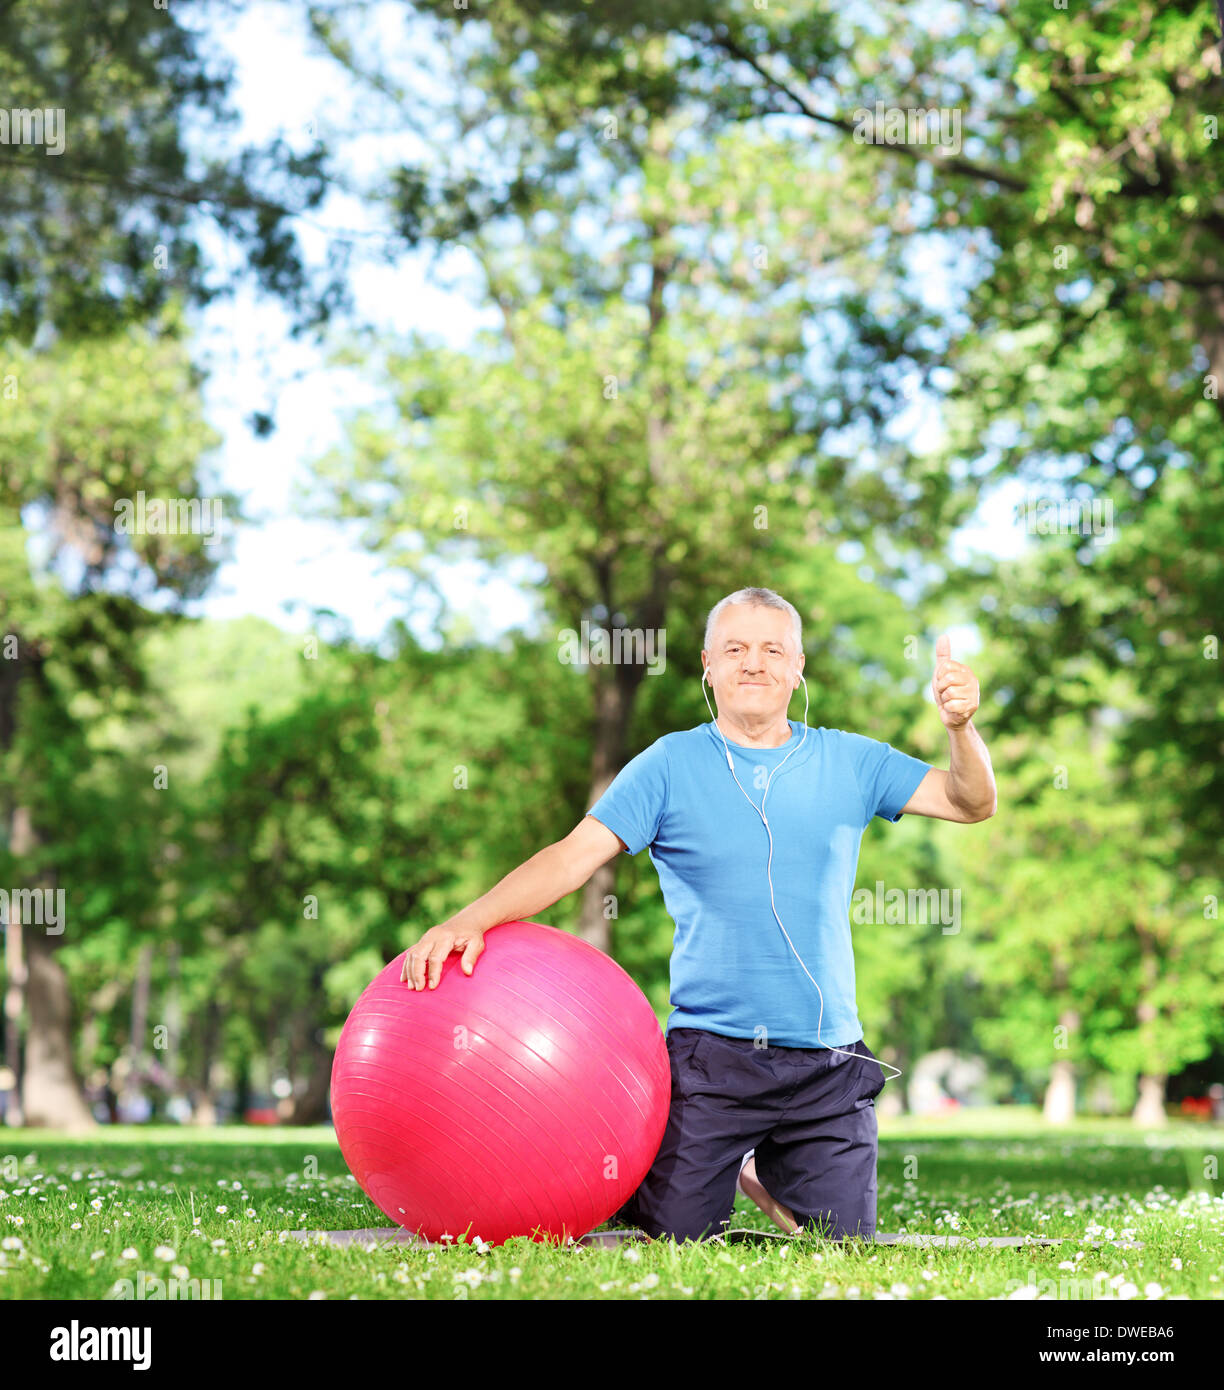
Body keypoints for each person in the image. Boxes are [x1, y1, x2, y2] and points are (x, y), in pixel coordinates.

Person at [402, 586, 996, 1243]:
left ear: (798, 667)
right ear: (708, 665)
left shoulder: (851, 760)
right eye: (736, 648)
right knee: (677, 1239)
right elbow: (572, 859)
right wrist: (471, 918)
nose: (753, 663)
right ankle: (721, 1164)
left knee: (845, 1246)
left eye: (773, 649)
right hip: (712, 1061)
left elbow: (970, 802)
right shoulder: (667, 764)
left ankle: (764, 1174)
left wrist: (960, 728)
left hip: (828, 1065)